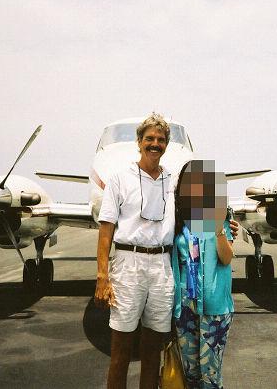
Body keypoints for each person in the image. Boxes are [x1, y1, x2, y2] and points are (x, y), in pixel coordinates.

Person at [95, 113, 176, 389]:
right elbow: (106, 229)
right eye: (149, 138)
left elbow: (203, 211)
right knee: (121, 350)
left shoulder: (173, 180)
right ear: (139, 142)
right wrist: (102, 276)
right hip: (128, 264)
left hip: (162, 265)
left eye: (161, 140)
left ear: (166, 145)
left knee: (153, 350)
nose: (155, 144)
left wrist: (225, 225)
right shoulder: (119, 178)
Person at [172, 159, 236, 389]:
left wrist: (219, 231)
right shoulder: (177, 218)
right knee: (190, 374)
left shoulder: (220, 215)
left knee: (210, 376)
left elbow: (226, 258)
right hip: (185, 308)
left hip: (213, 307)